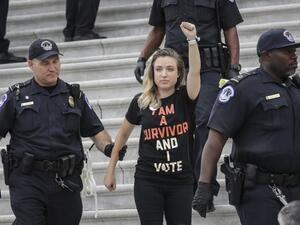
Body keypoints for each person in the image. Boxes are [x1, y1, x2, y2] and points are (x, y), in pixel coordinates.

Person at [0, 38, 125, 225]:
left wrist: (109, 148)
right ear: (30, 64)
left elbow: (95, 130)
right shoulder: (16, 96)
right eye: (45, 63)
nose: (52, 68)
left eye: (55, 61)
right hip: (28, 179)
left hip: (66, 180)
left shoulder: (74, 96)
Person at [134, 0, 244, 202]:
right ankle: (187, 180)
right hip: (175, 69)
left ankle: (204, 184)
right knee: (181, 124)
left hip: (208, 69)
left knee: (204, 120)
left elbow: (230, 29)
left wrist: (234, 67)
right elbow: (159, 29)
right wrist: (143, 57)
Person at [192, 28, 300, 225]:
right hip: (260, 190)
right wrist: (204, 184)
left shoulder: (295, 89)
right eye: (287, 52)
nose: (294, 57)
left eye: (294, 51)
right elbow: (215, 140)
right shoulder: (242, 89)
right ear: (267, 55)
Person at [104, 21, 201, 225]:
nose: (164, 74)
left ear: (178, 74)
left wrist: (192, 41)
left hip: (181, 181)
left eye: (169, 69)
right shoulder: (140, 101)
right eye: (159, 69)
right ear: (152, 73)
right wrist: (110, 169)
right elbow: (122, 136)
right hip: (148, 180)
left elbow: (195, 72)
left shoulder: (186, 98)